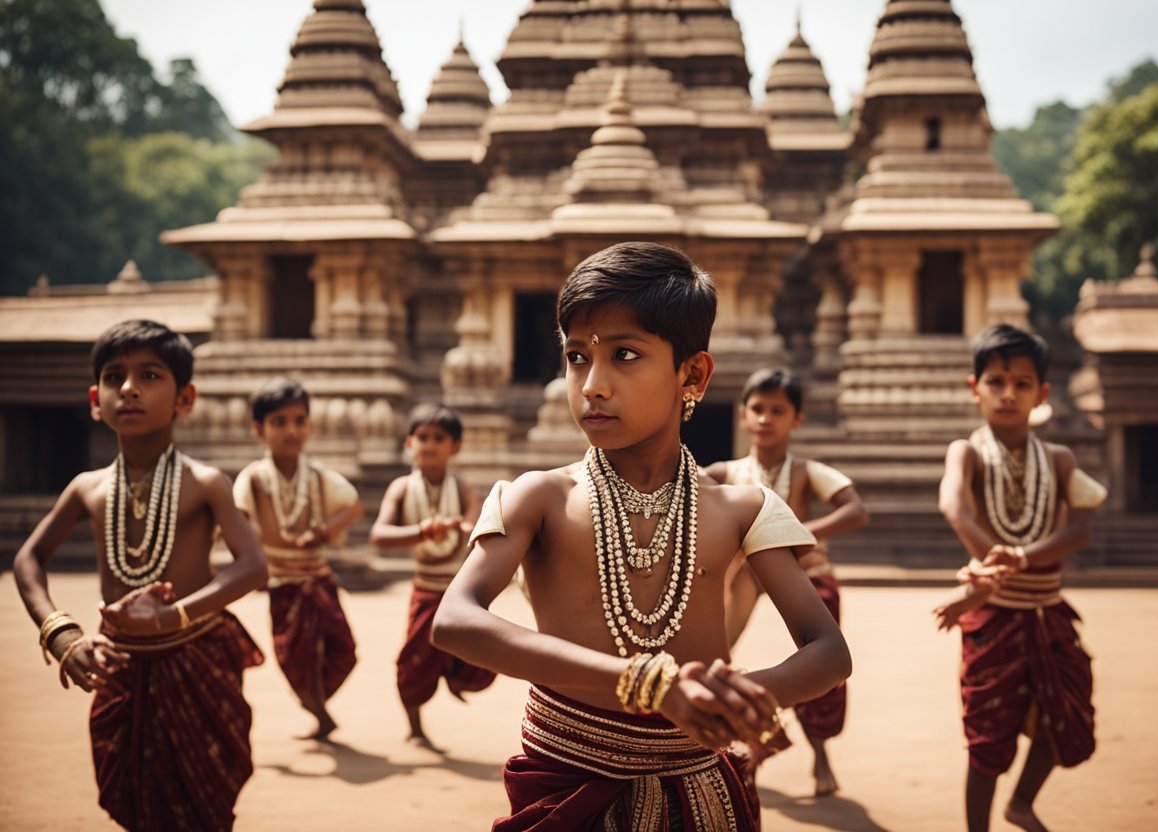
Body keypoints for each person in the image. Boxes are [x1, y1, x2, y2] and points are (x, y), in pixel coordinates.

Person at [431, 241, 852, 830]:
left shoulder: (743, 508)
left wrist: (746, 696)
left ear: (693, 373)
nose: (592, 385)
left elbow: (829, 651)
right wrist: (648, 683)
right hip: (569, 773)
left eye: (624, 354)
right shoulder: (539, 496)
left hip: (701, 785)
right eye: (578, 357)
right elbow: (455, 620)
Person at [12, 319, 268, 832]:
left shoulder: (205, 483)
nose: (127, 389)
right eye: (114, 377)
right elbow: (28, 560)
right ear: (94, 399)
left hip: (195, 652)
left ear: (185, 398)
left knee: (204, 797)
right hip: (119, 662)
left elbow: (252, 566)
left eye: (149, 375)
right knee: (130, 793)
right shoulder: (88, 488)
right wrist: (62, 635)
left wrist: (172, 616)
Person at [936, 323, 1107, 832]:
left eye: (1022, 383)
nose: (1008, 393)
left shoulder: (1058, 459)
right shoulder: (965, 452)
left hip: (1046, 609)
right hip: (993, 613)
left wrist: (1022, 557)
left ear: (1042, 393)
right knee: (988, 733)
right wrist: (995, 561)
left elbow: (1079, 529)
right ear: (975, 388)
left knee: (1068, 710)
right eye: (996, 381)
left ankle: (1022, 803)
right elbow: (953, 508)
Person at [704, 366, 869, 796]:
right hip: (743, 575)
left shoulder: (807, 470)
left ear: (796, 419)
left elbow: (855, 510)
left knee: (820, 664)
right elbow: (687, 494)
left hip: (807, 573)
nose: (765, 418)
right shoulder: (727, 471)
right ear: (742, 415)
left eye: (778, 410)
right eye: (757, 409)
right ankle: (737, 746)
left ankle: (817, 755)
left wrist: (800, 532)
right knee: (712, 653)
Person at [233, 377, 364, 740]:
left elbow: (353, 506)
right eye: (280, 422)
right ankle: (320, 714)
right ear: (258, 429)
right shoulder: (254, 479)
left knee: (345, 651)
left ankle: (318, 707)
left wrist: (323, 532)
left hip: (318, 577)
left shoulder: (320, 476)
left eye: (299, 420)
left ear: (309, 424)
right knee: (292, 659)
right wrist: (251, 561)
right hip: (281, 583)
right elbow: (238, 520)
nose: (292, 430)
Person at [370, 403, 495, 747]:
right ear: (409, 443)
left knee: (482, 654)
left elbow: (476, 527)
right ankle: (415, 728)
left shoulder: (464, 488)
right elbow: (379, 535)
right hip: (425, 589)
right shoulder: (400, 488)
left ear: (454, 447)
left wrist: (463, 526)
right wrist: (424, 531)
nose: (429, 444)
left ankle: (454, 678)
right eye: (422, 437)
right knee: (413, 660)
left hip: (458, 591)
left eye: (438, 438)